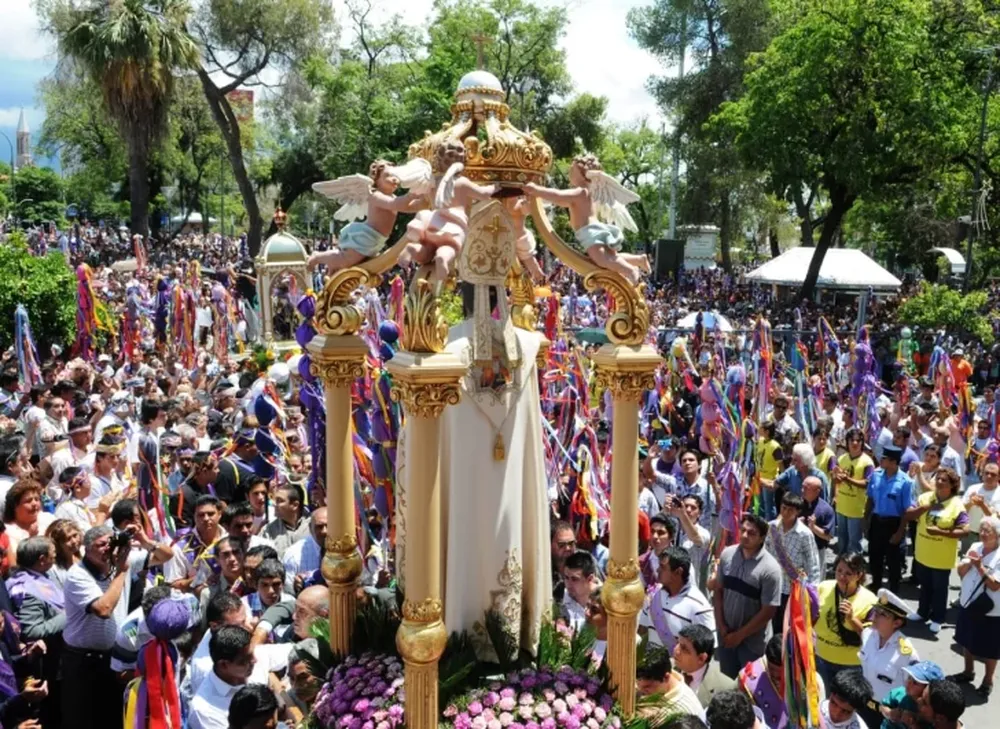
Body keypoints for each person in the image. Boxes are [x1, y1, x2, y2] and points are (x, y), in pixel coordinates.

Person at [61, 524, 152, 729]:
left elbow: (167, 555)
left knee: (112, 717)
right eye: (99, 545)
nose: (106, 549)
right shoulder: (78, 575)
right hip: (83, 662)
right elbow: (104, 609)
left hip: (111, 658)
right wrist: (122, 571)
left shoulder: (118, 563)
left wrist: (143, 539)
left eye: (109, 544)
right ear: (86, 548)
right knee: (84, 719)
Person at [711, 514, 782, 678]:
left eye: (751, 533)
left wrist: (739, 635)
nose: (744, 536)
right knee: (727, 681)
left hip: (752, 644)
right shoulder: (727, 555)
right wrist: (721, 627)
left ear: (762, 538)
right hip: (726, 637)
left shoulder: (770, 569)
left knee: (750, 687)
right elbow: (718, 591)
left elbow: (768, 611)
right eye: (743, 530)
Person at [906, 467, 968, 632]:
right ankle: (922, 612)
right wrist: (925, 508)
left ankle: (938, 617)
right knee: (925, 586)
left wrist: (941, 532)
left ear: (952, 485)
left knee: (939, 589)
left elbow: (965, 530)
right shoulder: (924, 498)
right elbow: (908, 514)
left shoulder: (957, 506)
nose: (939, 482)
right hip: (923, 552)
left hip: (941, 558)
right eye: (938, 479)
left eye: (944, 480)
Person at [950, 514, 1000, 698]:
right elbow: (961, 572)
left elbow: (995, 585)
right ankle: (968, 671)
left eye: (989, 531)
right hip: (968, 602)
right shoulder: (975, 547)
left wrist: (979, 567)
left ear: (998, 535)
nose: (984, 534)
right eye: (982, 530)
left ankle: (988, 680)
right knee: (966, 639)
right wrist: (969, 563)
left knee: (990, 648)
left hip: (991, 610)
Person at [857, 589, 919, 729]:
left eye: (882, 614)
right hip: (862, 704)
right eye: (876, 611)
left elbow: (914, 691)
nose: (875, 616)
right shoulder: (867, 634)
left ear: (896, 623)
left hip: (889, 714)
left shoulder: (906, 653)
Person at [815, 553, 878, 687]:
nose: (842, 576)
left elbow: (872, 637)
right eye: (839, 571)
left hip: (850, 665)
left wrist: (852, 618)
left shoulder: (870, 600)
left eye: (848, 573)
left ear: (859, 575)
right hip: (821, 657)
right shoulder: (823, 587)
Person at [639, 545, 715, 652]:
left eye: (663, 567)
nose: (658, 569)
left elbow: (706, 651)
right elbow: (642, 630)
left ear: (678, 572)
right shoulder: (653, 596)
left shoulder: (699, 606)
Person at [764, 491, 822, 632]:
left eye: (790, 509)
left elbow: (813, 563)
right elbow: (764, 552)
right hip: (772, 585)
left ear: (798, 512)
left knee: (786, 628)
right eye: (784, 508)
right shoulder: (771, 527)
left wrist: (812, 592)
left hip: (791, 588)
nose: (786, 512)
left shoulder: (805, 534)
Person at [865, 445, 914, 593]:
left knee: (894, 561)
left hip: (894, 524)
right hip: (876, 521)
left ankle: (893, 591)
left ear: (894, 462)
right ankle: (876, 584)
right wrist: (865, 520)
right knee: (875, 557)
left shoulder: (905, 481)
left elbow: (906, 511)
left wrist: (900, 532)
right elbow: (870, 499)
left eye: (884, 458)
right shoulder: (876, 474)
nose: (881, 460)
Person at [635, 647, 706, 723]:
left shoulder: (682, 713)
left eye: (647, 687)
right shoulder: (660, 674)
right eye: (637, 683)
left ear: (666, 677)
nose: (640, 690)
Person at [673, 623, 735, 708]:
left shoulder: (725, 687)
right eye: (678, 643)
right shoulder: (667, 669)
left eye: (684, 648)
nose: (676, 650)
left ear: (701, 658)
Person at [834, 428, 874, 555]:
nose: (855, 443)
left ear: (862, 443)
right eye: (852, 440)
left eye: (858, 440)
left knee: (854, 541)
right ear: (847, 442)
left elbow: (866, 484)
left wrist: (848, 479)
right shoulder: (842, 458)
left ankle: (854, 567)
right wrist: (836, 481)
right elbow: (836, 480)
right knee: (841, 538)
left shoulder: (867, 462)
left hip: (856, 509)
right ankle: (841, 561)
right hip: (841, 506)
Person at [879, 661, 945, 729]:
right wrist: (889, 713)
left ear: (927, 688)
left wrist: (913, 724)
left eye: (915, 682)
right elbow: (882, 706)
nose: (908, 683)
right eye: (909, 677)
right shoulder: (900, 693)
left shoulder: (931, 711)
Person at [3, 480, 56, 554]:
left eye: (37, 499)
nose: (34, 503)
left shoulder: (48, 519)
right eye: (28, 501)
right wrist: (31, 539)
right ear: (15, 506)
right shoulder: (8, 532)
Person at [282, 508, 326, 594]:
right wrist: (297, 589)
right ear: (310, 528)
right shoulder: (294, 555)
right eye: (319, 527)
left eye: (329, 525)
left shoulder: (347, 550)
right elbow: (288, 595)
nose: (324, 531)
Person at [962, 460, 1000, 555]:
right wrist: (971, 503)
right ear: (981, 474)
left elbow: (996, 520)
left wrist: (982, 505)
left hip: (991, 537)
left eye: (993, 474)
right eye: (986, 473)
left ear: (998, 477)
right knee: (966, 562)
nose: (989, 476)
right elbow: (962, 511)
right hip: (970, 533)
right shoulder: (973, 488)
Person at [261, 484, 309, 558]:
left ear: (295, 505)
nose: (274, 504)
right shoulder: (268, 531)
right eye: (275, 500)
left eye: (279, 501)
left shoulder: (313, 526)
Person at [802, 474, 836, 573]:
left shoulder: (826, 510)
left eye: (806, 488)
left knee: (816, 582)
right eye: (802, 487)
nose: (802, 490)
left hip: (817, 551)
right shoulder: (797, 504)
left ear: (817, 491)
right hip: (799, 548)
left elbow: (828, 536)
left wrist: (813, 527)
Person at [559, 550, 597, 631]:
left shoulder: (605, 602)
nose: (568, 584)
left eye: (574, 579)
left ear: (590, 579)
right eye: (566, 577)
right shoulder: (558, 598)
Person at [45, 519, 82, 589]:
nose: (74, 541)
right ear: (57, 544)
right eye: (68, 539)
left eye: (75, 535)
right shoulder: (53, 569)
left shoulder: (85, 553)